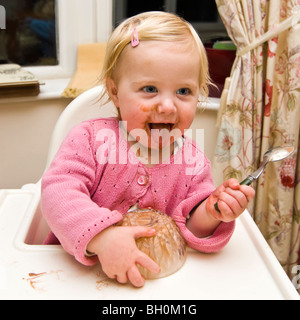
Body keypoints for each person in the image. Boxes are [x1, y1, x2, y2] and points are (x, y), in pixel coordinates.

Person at [41, 11, 255, 288]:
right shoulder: (90, 139)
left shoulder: (193, 161)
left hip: (160, 283)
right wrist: (100, 237)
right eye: (150, 88)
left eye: (183, 92)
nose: (167, 106)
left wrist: (212, 213)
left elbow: (188, 229)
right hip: (74, 280)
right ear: (116, 92)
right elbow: (58, 192)